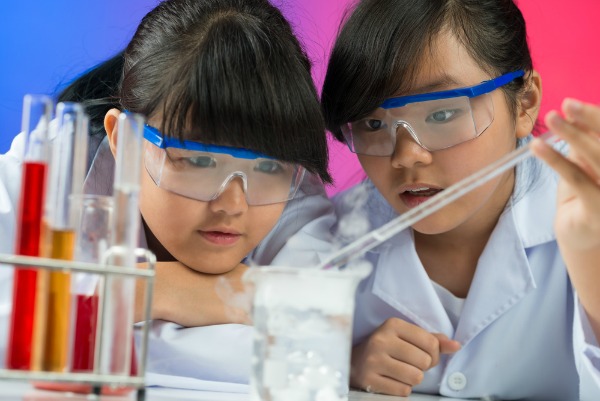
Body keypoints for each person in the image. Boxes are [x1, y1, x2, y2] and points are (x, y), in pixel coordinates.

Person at [0, 0, 335, 385]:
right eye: (200, 162)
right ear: (121, 137)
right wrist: (215, 296)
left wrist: (134, 294)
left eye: (267, 167)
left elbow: (317, 344)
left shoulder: (292, 189)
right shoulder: (51, 166)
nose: (233, 204)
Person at [320, 0, 600, 399]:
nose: (405, 156)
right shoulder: (329, 239)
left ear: (524, 103)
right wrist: (338, 363)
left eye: (440, 114)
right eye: (373, 124)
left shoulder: (589, 208)